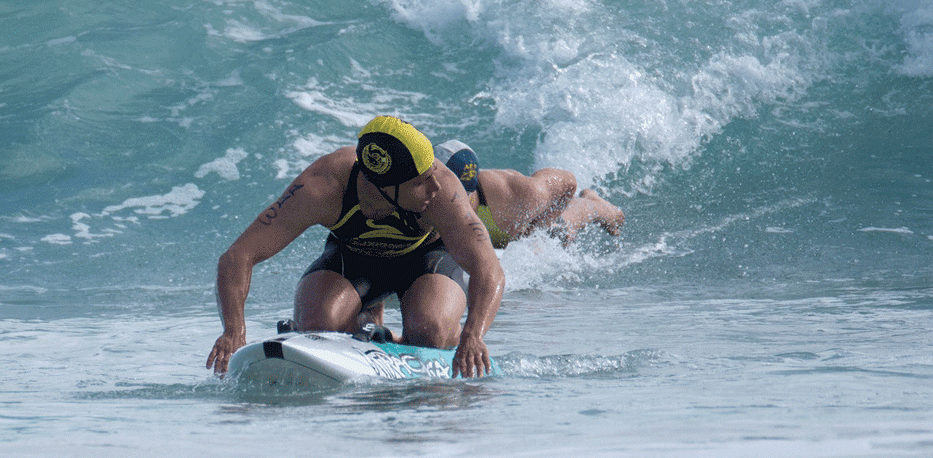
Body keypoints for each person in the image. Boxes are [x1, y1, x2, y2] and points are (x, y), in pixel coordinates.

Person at [205, 116, 505, 378]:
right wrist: (234, 331)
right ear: (383, 186)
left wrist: (473, 334)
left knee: (432, 330)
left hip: (427, 260)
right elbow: (237, 257)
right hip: (357, 258)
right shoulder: (323, 186)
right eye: (422, 181)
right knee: (316, 323)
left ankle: (389, 338)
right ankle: (364, 327)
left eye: (433, 174)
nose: (435, 186)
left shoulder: (443, 190)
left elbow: (489, 269)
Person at [433, 140, 625, 247]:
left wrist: (540, 226)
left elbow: (568, 181)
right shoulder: (423, 195)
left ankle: (595, 203)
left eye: (463, 195)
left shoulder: (518, 195)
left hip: (530, 222)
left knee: (562, 230)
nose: (457, 204)